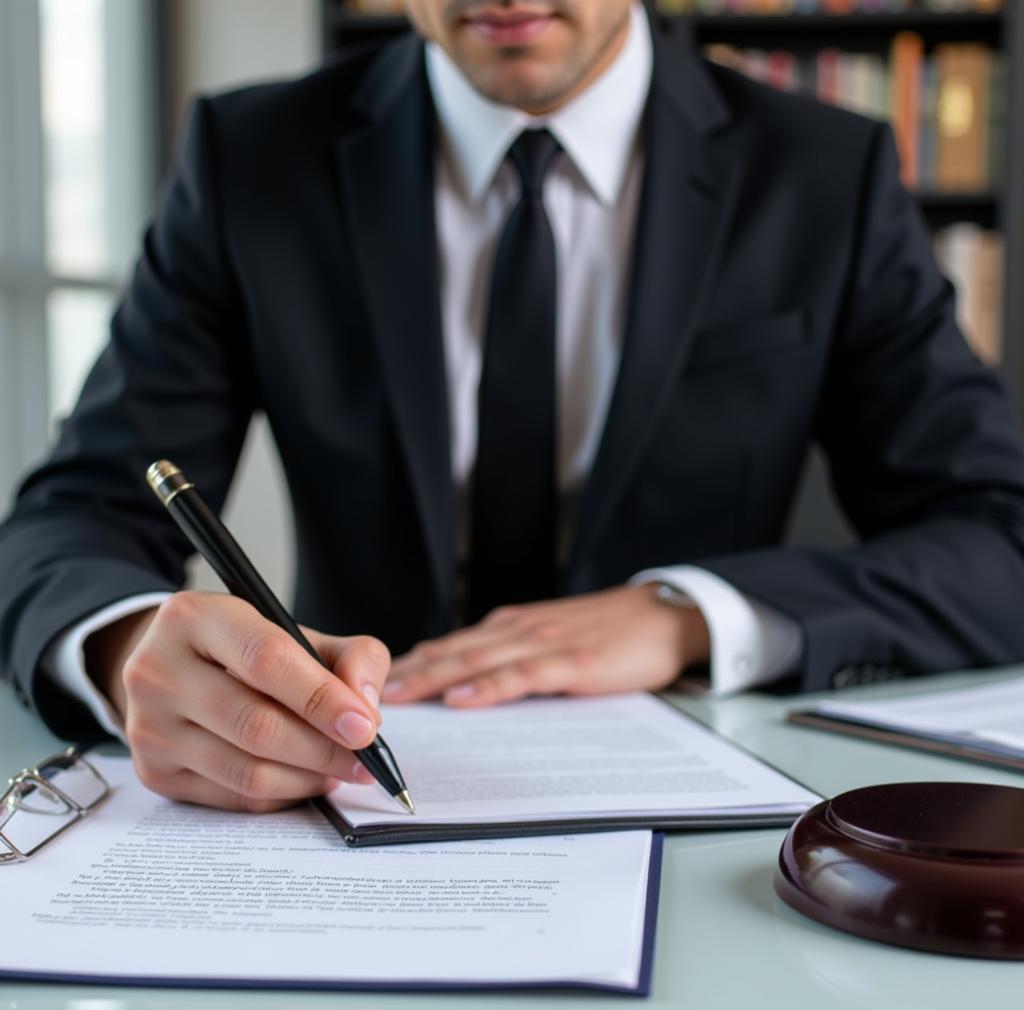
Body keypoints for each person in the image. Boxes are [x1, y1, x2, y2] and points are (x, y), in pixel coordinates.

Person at [2, 0, 1024, 813]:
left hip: (711, 807)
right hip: (333, 794)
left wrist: (688, 616)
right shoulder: (253, 158)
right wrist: (125, 645)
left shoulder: (821, 172)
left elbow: (1002, 534)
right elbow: (73, 516)